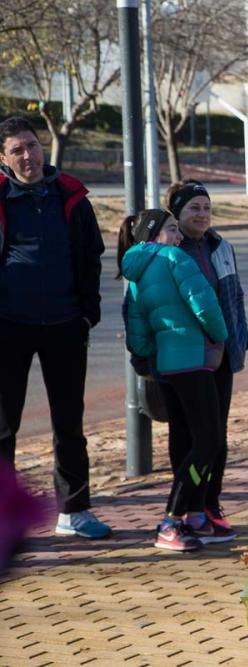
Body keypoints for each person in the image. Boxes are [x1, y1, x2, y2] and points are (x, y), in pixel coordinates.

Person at [0, 116, 110, 540]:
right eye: (17, 150)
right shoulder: (1, 198)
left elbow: (93, 255)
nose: (28, 156)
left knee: (69, 421)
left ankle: (75, 511)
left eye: (32, 145)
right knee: (3, 426)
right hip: (8, 327)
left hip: (65, 323)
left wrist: (88, 312)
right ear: (4, 158)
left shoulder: (71, 196)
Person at [118, 208, 229, 551]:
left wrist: (152, 359)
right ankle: (171, 519)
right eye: (171, 229)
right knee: (208, 442)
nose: (179, 235)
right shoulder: (174, 258)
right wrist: (219, 336)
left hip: (168, 368)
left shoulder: (136, 272)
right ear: (155, 235)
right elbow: (204, 302)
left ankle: (194, 515)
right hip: (194, 360)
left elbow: (137, 332)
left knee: (190, 440)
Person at [161, 180, 248, 541]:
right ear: (177, 214)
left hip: (221, 356)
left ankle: (207, 505)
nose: (201, 214)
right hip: (184, 359)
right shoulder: (168, 250)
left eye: (205, 207)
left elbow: (235, 296)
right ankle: (184, 509)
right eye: (193, 208)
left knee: (217, 437)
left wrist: (240, 339)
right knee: (189, 437)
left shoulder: (220, 246)